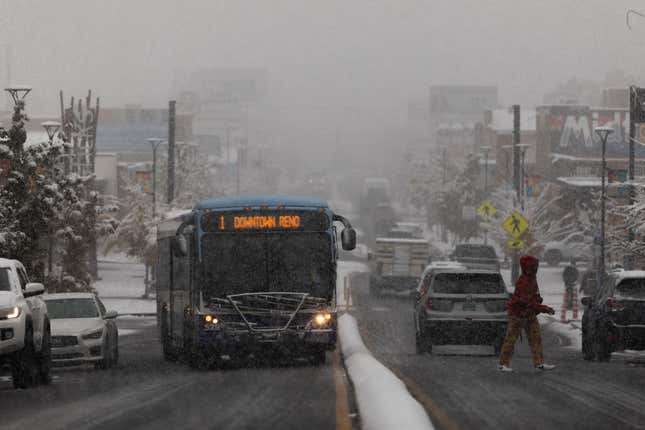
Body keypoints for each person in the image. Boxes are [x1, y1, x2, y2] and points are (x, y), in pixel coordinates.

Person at [498, 255, 556, 372]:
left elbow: (533, 296)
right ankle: (503, 363)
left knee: (535, 338)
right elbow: (527, 301)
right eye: (534, 266)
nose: (536, 268)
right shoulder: (523, 281)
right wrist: (544, 308)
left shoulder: (531, 279)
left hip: (528, 313)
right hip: (518, 314)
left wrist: (538, 300)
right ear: (529, 267)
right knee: (511, 339)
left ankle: (539, 362)